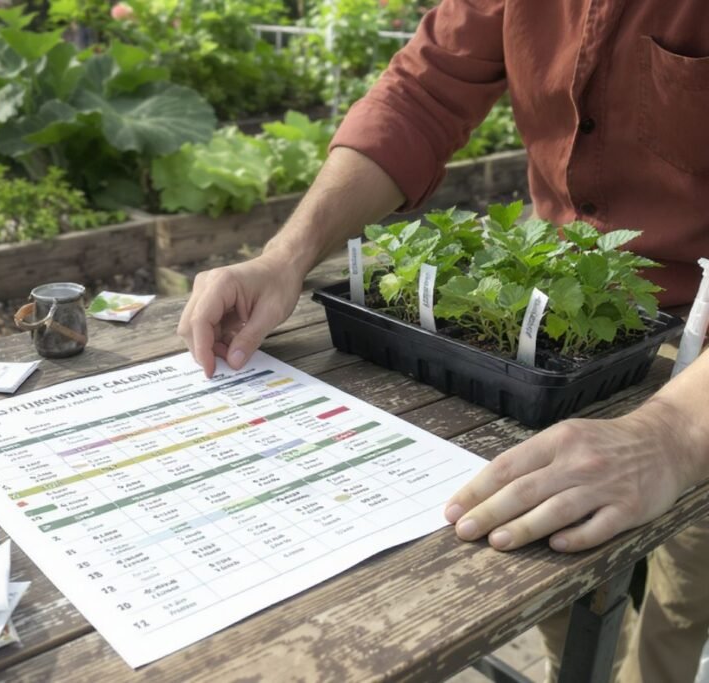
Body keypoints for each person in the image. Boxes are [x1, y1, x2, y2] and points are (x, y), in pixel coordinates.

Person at [176, 2, 709, 682]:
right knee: (552, 551)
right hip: (564, 314)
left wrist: (671, 434)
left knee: (684, 585)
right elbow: (423, 92)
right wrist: (285, 257)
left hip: (695, 340)